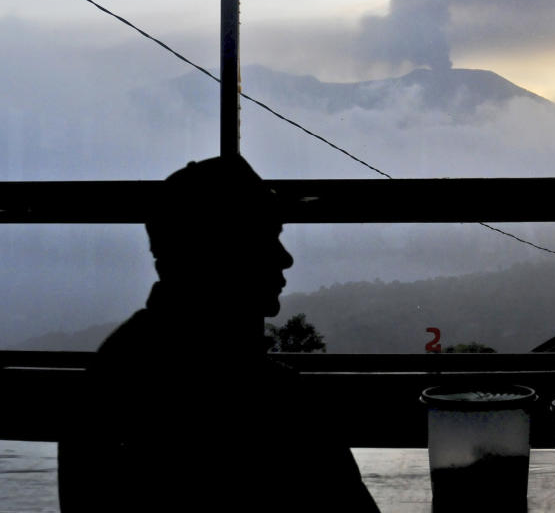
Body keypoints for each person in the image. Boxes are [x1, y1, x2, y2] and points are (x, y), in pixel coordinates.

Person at [58, 155, 380, 511]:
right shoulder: (272, 401)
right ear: (222, 251)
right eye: (266, 237)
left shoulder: (115, 375)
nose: (285, 258)